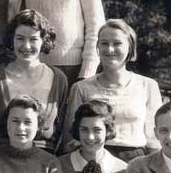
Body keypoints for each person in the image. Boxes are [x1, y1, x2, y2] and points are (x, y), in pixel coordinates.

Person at [64, 19, 162, 160]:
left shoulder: (148, 86)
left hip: (133, 162)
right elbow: (70, 140)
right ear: (97, 47)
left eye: (117, 43)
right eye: (104, 43)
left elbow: (154, 140)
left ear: (130, 47)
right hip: (92, 158)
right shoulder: (81, 88)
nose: (110, 49)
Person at [0, 9, 68, 154]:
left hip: (44, 161)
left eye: (33, 39)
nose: (26, 46)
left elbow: (61, 130)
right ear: (11, 39)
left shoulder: (58, 79)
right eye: (20, 38)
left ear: (44, 41)